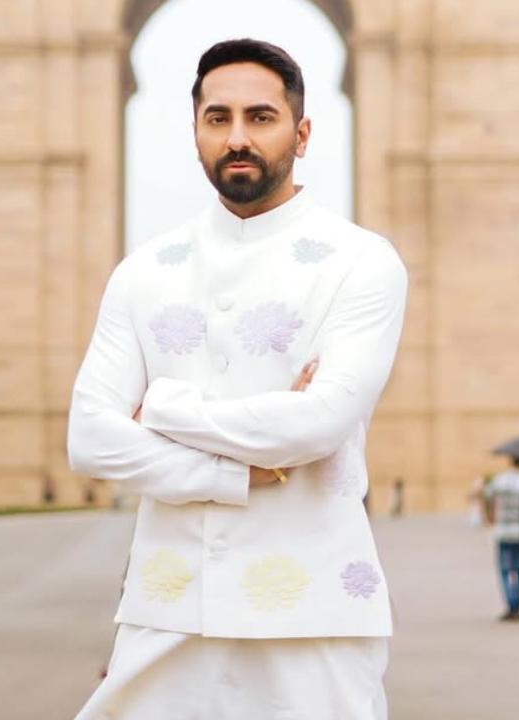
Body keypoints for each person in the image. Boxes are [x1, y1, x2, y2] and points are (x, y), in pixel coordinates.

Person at [67, 39, 407, 719]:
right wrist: (232, 472)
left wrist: (161, 407)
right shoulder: (144, 272)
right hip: (167, 607)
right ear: (195, 133)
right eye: (217, 119)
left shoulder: (362, 263)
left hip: (314, 614)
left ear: (301, 133)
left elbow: (321, 423)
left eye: (261, 116)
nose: (238, 137)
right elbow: (89, 439)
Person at [482, 455, 519, 622]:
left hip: (504, 531)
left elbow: (487, 494)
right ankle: (517, 607)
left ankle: (510, 605)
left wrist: (489, 515)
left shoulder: (501, 480)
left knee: (505, 570)